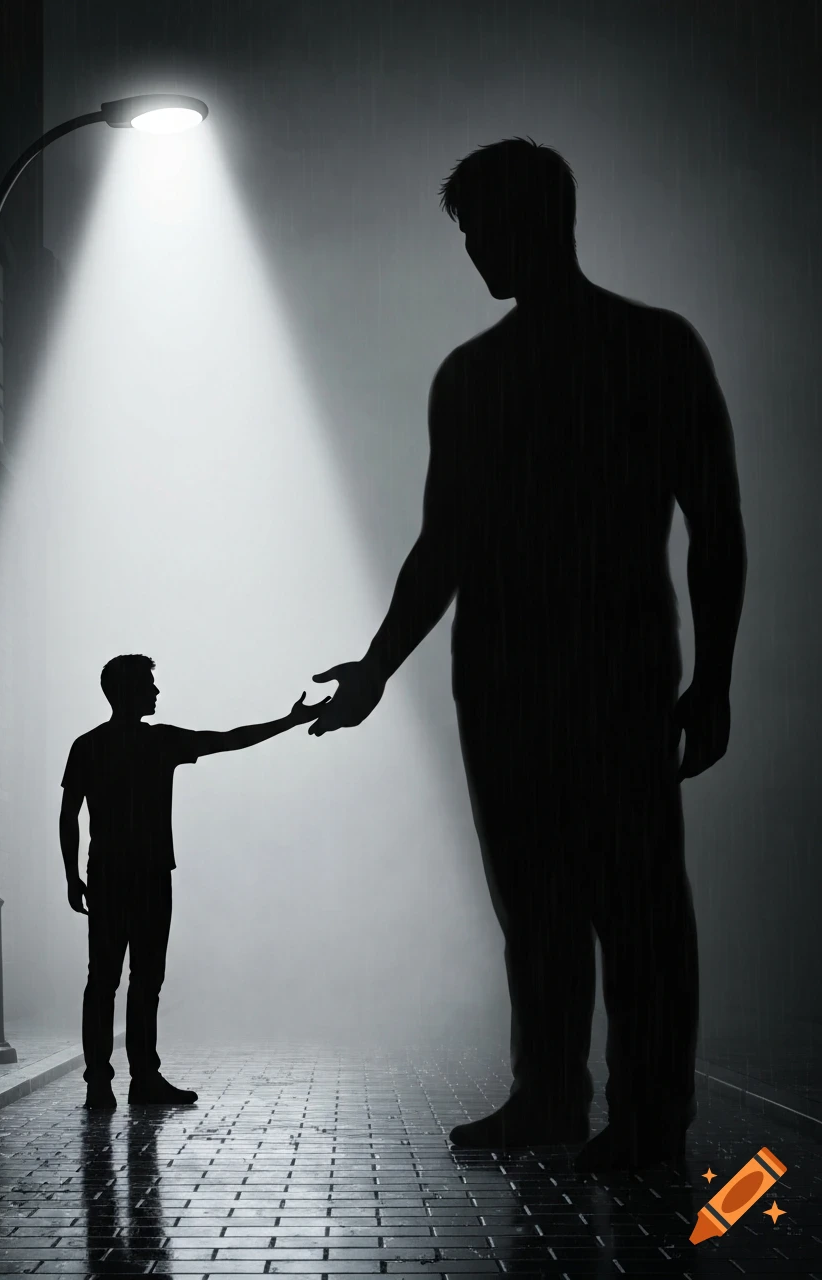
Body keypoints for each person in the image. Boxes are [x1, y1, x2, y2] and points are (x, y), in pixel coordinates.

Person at [307, 138, 747, 1172]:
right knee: (582, 903)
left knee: (599, 902)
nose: (475, 255)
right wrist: (375, 665)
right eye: (467, 239)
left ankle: (605, 1105)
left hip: (534, 673)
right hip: (586, 670)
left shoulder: (487, 374)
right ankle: (593, 1102)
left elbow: (448, 546)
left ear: (535, 222)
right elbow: (706, 524)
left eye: (480, 233)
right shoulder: (641, 349)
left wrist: (715, 675)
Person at [60, 653, 328, 1109]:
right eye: (149, 683)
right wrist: (288, 721)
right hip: (149, 876)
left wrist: (72, 876)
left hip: (105, 875)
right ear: (128, 690)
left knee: (102, 980)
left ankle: (99, 1085)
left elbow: (69, 816)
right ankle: (143, 1078)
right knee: (145, 979)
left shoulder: (88, 746)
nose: (157, 691)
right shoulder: (159, 743)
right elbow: (230, 740)